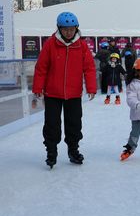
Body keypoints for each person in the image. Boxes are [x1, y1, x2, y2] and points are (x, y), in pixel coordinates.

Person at [32, 12, 96, 168]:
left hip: (74, 93)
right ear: (59, 28)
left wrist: (91, 87)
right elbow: (41, 67)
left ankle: (73, 151)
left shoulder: (81, 45)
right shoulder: (50, 44)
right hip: (52, 93)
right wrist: (38, 87)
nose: (69, 32)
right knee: (52, 124)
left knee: (74, 124)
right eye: (66, 29)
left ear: (76, 28)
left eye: (72, 29)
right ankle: (51, 152)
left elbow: (89, 68)